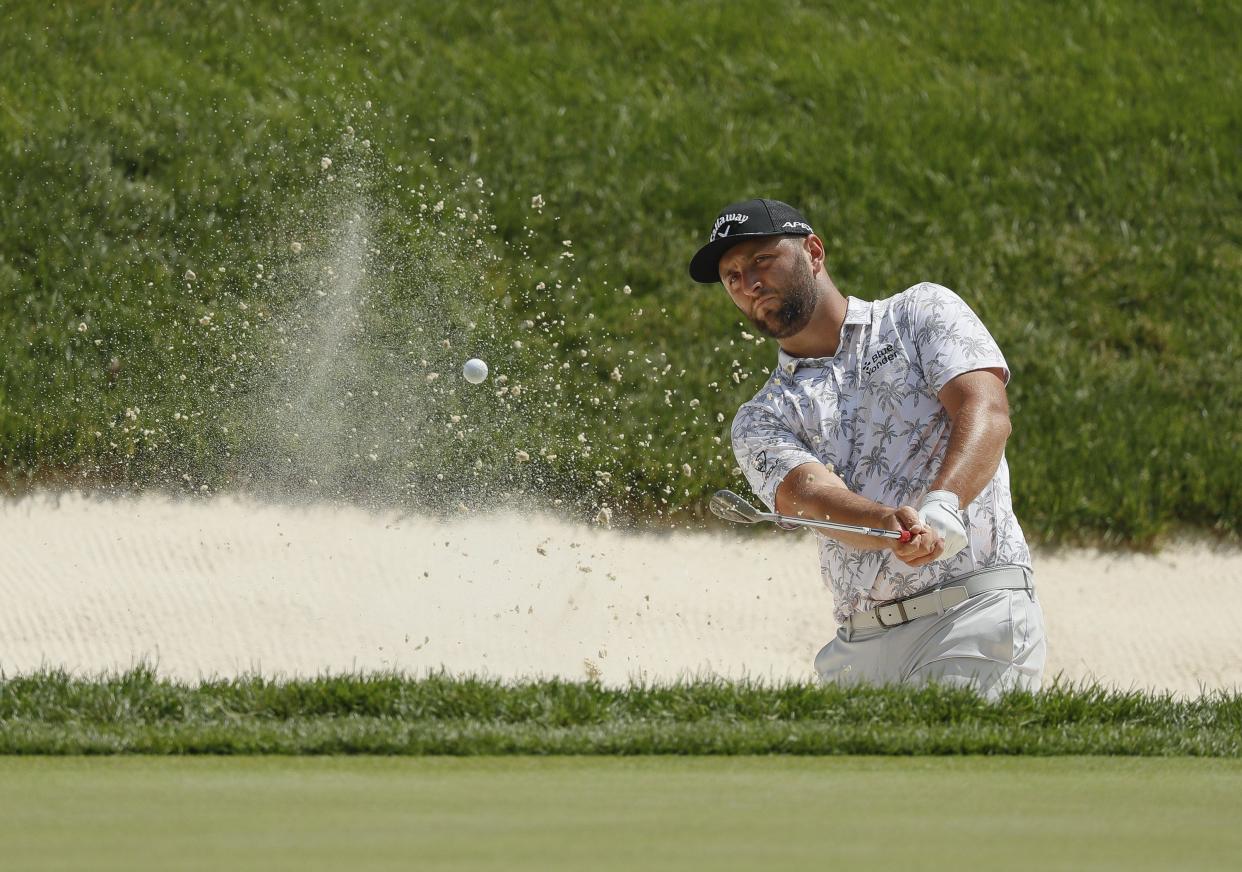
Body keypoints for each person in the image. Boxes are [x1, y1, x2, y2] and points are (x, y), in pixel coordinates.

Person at [688, 198, 1046, 699]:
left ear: (813, 252)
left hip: (972, 613)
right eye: (732, 277)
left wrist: (943, 505)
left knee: (942, 773)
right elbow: (809, 495)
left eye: (761, 261)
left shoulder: (918, 314)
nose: (749, 285)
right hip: (860, 643)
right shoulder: (761, 417)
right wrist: (888, 525)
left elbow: (986, 411)